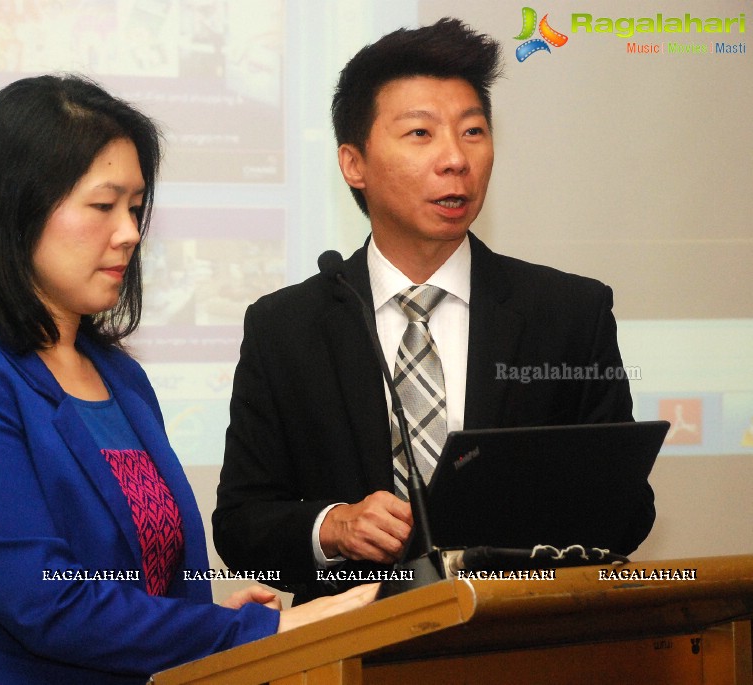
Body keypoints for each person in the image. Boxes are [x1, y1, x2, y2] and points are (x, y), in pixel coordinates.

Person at [0, 74, 376, 685]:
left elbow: (143, 575)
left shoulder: (121, 378)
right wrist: (256, 632)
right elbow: (48, 604)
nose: (128, 232)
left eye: (135, 208)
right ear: (17, 210)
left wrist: (204, 621)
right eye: (103, 205)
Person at [213, 18, 655, 604]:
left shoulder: (570, 313)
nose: (455, 159)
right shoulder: (284, 327)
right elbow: (241, 524)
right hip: (350, 649)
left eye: (473, 132)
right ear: (354, 164)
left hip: (522, 638)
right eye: (420, 134)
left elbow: (629, 510)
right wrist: (333, 527)